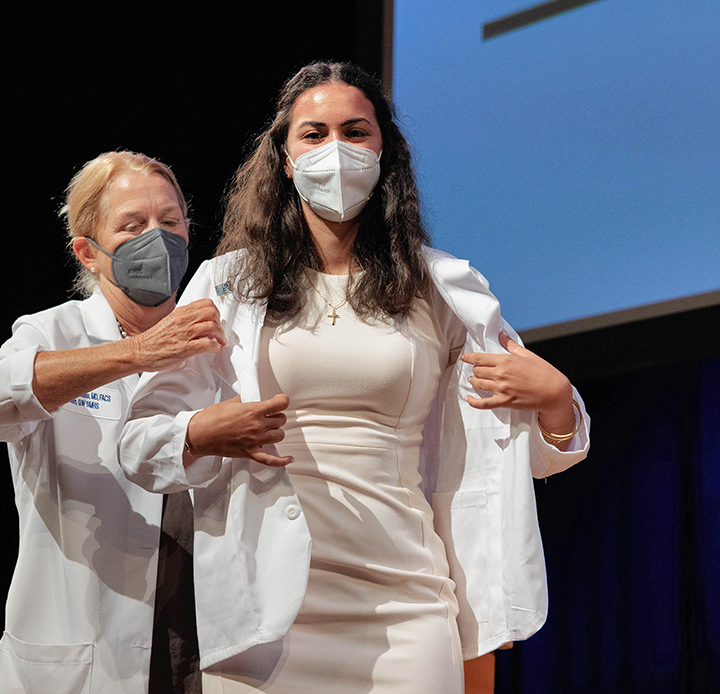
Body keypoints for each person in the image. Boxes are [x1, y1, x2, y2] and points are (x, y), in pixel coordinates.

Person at [119, 61, 591, 694]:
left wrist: (559, 403)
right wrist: (202, 431)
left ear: (383, 150)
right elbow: (139, 442)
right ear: (284, 160)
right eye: (313, 134)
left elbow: (512, 449)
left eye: (355, 131)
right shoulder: (226, 284)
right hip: (266, 610)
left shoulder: (444, 288)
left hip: (405, 599)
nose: (335, 151)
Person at [0, 150, 226, 694]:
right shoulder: (53, 333)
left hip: (202, 637)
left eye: (170, 222)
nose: (158, 238)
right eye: (133, 226)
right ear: (88, 252)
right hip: (85, 650)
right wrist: (135, 355)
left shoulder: (222, 336)